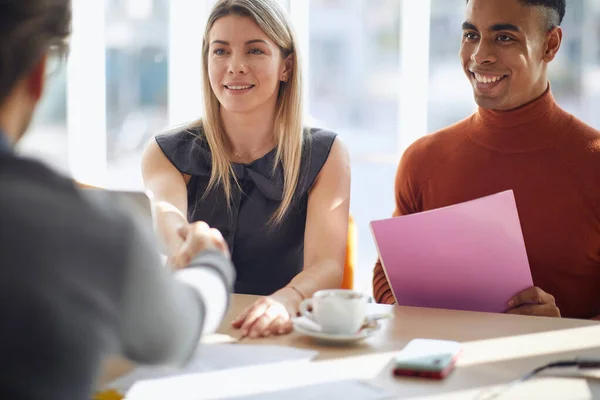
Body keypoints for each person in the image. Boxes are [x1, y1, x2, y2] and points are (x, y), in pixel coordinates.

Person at [0, 1, 236, 399]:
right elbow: (178, 331)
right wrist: (212, 261)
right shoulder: (91, 231)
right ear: (39, 75)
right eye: (221, 50)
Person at [373, 0, 600, 320]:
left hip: (563, 368)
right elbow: (387, 272)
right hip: (441, 364)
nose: (479, 56)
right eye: (470, 34)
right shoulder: (422, 160)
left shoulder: (593, 164)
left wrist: (560, 332)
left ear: (550, 45)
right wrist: (423, 322)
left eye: (504, 37)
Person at [142, 0, 350, 338]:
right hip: (192, 326)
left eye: (255, 51)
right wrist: (184, 240)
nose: (235, 66)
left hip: (281, 329)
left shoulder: (326, 154)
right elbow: (165, 214)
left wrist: (287, 300)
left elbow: (325, 264)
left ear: (286, 66)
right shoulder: (166, 151)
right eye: (221, 51)